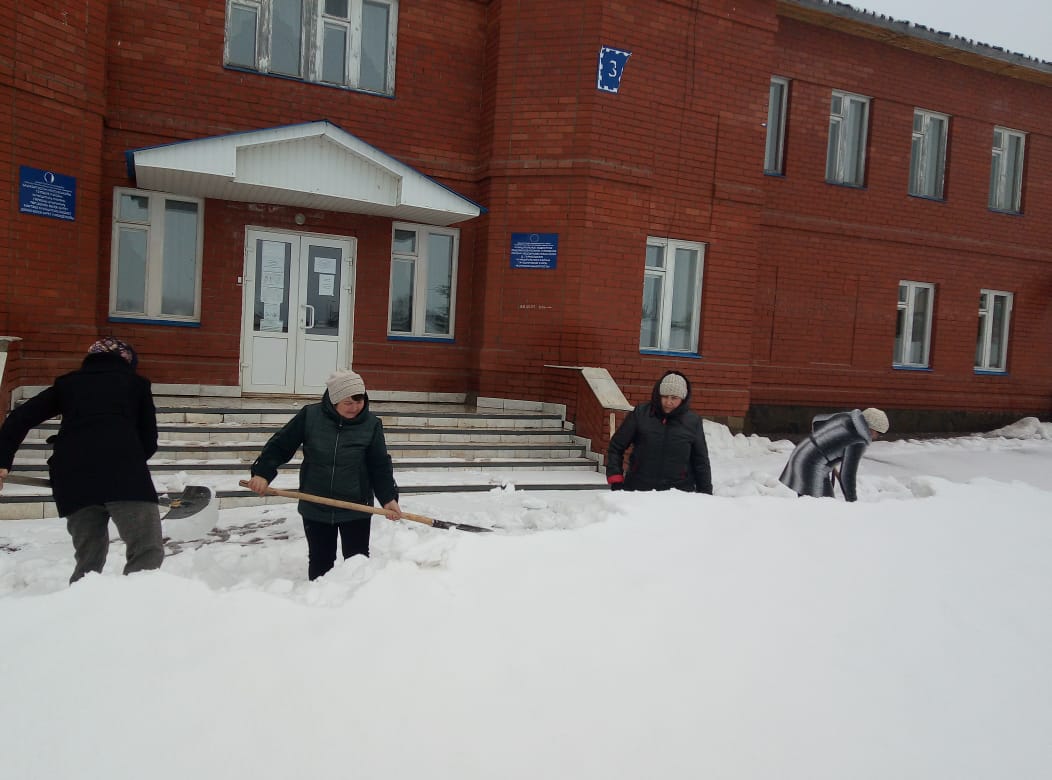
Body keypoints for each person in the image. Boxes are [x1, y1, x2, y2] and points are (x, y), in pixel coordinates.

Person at [0, 337, 164, 583]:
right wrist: (128, 458)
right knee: (146, 550)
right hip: (125, 475)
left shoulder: (67, 384)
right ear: (128, 361)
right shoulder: (136, 384)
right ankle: (135, 602)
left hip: (73, 478)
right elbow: (149, 441)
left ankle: (81, 602)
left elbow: (19, 418)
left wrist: (2, 461)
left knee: (88, 560)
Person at [245, 369, 403, 580]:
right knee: (321, 561)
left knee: (357, 563)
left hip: (356, 507)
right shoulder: (310, 416)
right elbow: (281, 445)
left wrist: (388, 498)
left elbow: (379, 465)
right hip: (315, 504)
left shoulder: (371, 425)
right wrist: (262, 473)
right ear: (334, 399)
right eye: (348, 403)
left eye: (359, 401)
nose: (355, 407)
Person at [605, 370, 713, 494]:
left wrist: (706, 493)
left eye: (674, 398)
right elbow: (616, 446)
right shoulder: (641, 414)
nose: (668, 402)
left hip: (677, 494)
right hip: (638, 490)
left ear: (683, 398)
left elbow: (701, 461)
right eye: (665, 396)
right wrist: (616, 479)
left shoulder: (693, 422)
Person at [778, 407, 890, 502]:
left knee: (818, 505)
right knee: (824, 508)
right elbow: (847, 475)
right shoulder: (858, 441)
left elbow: (817, 421)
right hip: (810, 467)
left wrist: (823, 447)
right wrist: (852, 502)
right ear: (871, 429)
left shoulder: (847, 417)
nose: (877, 437)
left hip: (801, 453)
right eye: (879, 433)